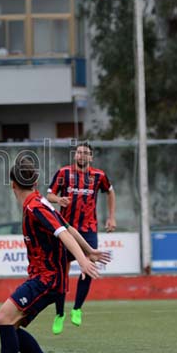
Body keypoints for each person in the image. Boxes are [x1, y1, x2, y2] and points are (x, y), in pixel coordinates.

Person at [0, 157, 102, 353]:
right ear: (35, 182)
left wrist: (82, 259)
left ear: (12, 184)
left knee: (4, 318)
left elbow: (63, 233)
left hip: (47, 280)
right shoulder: (40, 203)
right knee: (11, 325)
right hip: (44, 278)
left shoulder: (35, 207)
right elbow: (69, 227)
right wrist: (89, 250)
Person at [46, 141, 116, 334]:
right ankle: (59, 313)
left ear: (91, 157)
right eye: (79, 152)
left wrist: (111, 217)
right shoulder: (64, 173)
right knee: (61, 272)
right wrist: (59, 199)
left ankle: (77, 308)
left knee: (89, 267)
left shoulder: (99, 175)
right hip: (65, 230)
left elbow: (110, 192)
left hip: (88, 229)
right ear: (75, 155)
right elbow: (49, 195)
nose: (82, 155)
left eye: (85, 153)